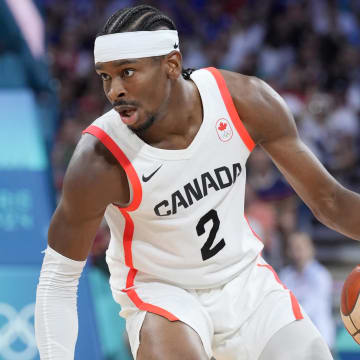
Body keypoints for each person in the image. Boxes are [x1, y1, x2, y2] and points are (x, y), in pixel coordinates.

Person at [34, 5, 360, 360]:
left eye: (128, 73)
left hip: (245, 282)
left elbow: (329, 201)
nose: (115, 91)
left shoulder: (244, 101)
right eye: (105, 77)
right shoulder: (98, 158)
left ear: (172, 64)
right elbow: (58, 280)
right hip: (163, 293)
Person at [279, 232, 336, 349]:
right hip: (295, 342)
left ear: (311, 249)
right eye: (293, 248)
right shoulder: (285, 275)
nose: (296, 252)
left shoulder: (321, 275)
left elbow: (311, 306)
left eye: (300, 247)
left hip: (320, 341)